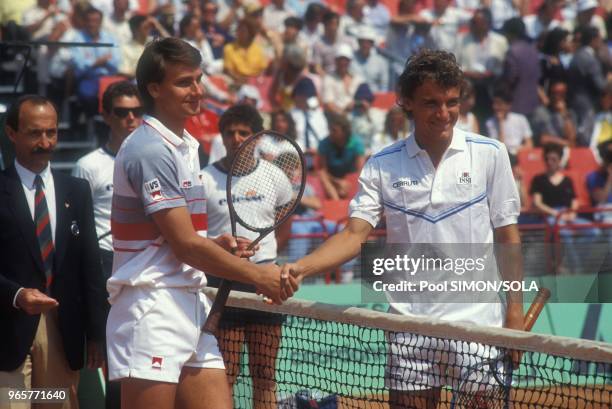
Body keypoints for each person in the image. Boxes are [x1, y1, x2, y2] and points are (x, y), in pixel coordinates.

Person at [281, 49, 524, 409]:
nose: (444, 114)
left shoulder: (491, 153)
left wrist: (514, 314)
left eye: (451, 102)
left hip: (478, 325)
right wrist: (301, 268)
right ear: (407, 103)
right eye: (431, 103)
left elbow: (508, 237)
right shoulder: (381, 165)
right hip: (410, 328)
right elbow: (353, 235)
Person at [105, 38, 297, 409]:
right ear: (154, 89)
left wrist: (218, 244)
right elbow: (185, 245)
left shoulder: (186, 146)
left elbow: (189, 239)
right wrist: (257, 275)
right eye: (184, 82)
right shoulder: (150, 148)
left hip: (190, 303)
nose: (197, 90)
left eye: (198, 79)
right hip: (151, 305)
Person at [0, 95, 108, 409]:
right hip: (9, 329)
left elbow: (90, 264)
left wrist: (97, 334)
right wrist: (17, 295)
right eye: (35, 133)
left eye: (51, 132)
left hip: (63, 330)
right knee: (14, 403)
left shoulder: (76, 191)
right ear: (11, 133)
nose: (45, 142)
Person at [201, 104, 294, 409]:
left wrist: (266, 252)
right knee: (225, 373)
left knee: (265, 374)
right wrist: (223, 251)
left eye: (243, 132)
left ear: (256, 138)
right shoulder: (204, 179)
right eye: (230, 132)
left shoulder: (274, 176)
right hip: (221, 284)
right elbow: (195, 237)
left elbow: (284, 215)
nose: (236, 138)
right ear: (222, 136)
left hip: (265, 281)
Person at [318, 112, 366, 200]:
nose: (330, 133)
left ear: (344, 131)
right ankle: (336, 202)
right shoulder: (324, 143)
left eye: (334, 130)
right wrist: (338, 181)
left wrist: (349, 181)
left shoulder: (357, 143)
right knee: (321, 175)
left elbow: (361, 170)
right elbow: (323, 170)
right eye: (330, 129)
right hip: (331, 179)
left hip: (352, 177)